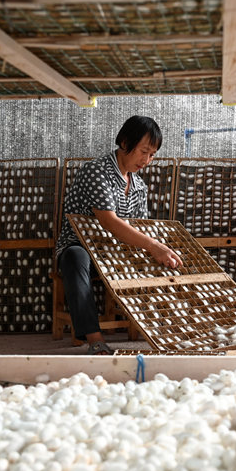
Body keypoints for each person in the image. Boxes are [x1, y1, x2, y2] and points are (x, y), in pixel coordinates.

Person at [56, 115, 183, 354]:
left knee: (163, 261)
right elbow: (109, 222)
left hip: (116, 253)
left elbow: (140, 226)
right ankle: (95, 339)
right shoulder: (96, 172)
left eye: (152, 154)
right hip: (83, 248)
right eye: (143, 151)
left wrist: (157, 249)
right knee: (74, 257)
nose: (147, 160)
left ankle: (166, 331)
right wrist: (154, 245)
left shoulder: (139, 186)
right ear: (125, 142)